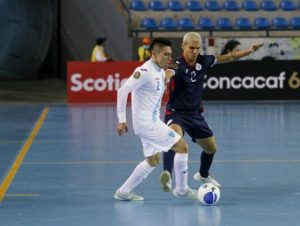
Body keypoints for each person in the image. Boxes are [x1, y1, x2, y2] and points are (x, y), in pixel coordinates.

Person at [159, 32, 263, 192]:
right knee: (174, 138)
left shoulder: (204, 60)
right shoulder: (177, 64)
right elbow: (168, 72)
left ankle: (203, 174)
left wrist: (249, 51)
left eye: (197, 48)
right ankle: (167, 175)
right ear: (183, 46)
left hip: (195, 114)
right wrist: (165, 77)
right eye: (191, 48)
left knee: (211, 148)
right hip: (176, 113)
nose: (194, 51)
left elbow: (229, 57)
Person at [114, 37, 198, 201]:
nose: (169, 58)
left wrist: (170, 73)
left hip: (151, 121)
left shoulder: (160, 69)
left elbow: (162, 77)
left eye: (170, 54)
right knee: (182, 147)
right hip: (147, 124)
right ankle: (182, 189)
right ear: (154, 54)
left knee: (152, 160)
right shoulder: (144, 72)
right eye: (166, 55)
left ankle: (123, 192)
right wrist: (122, 120)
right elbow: (122, 91)